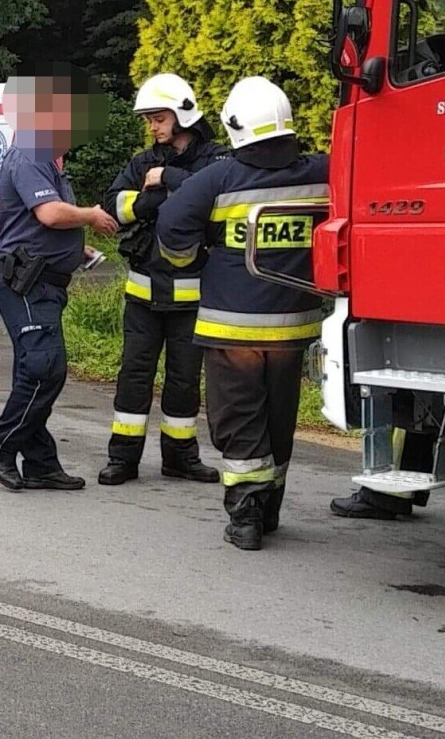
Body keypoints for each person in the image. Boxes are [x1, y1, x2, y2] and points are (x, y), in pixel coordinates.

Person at [156, 76, 331, 550]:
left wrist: (195, 258)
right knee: (279, 417)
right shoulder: (323, 172)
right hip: (295, 327)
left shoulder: (220, 177)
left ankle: (247, 515)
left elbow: (172, 230)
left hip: (232, 329)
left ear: (235, 129)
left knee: (238, 418)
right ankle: (269, 508)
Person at [0, 70, 119, 492]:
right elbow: (49, 214)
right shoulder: (30, 153)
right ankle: (1, 446)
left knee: (35, 368)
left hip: (44, 282)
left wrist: (78, 251)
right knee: (45, 369)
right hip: (25, 284)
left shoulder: (49, 160)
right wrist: (91, 215)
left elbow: (36, 226)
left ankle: (40, 462)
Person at [97, 73, 227, 486]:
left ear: (183, 115)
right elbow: (114, 205)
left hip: (191, 298)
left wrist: (169, 181)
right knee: (134, 376)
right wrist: (156, 197)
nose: (152, 127)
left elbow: (217, 197)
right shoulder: (141, 162)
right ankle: (123, 459)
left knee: (184, 380)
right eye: (149, 120)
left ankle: (180, 457)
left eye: (158, 118)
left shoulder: (215, 159)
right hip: (142, 295)